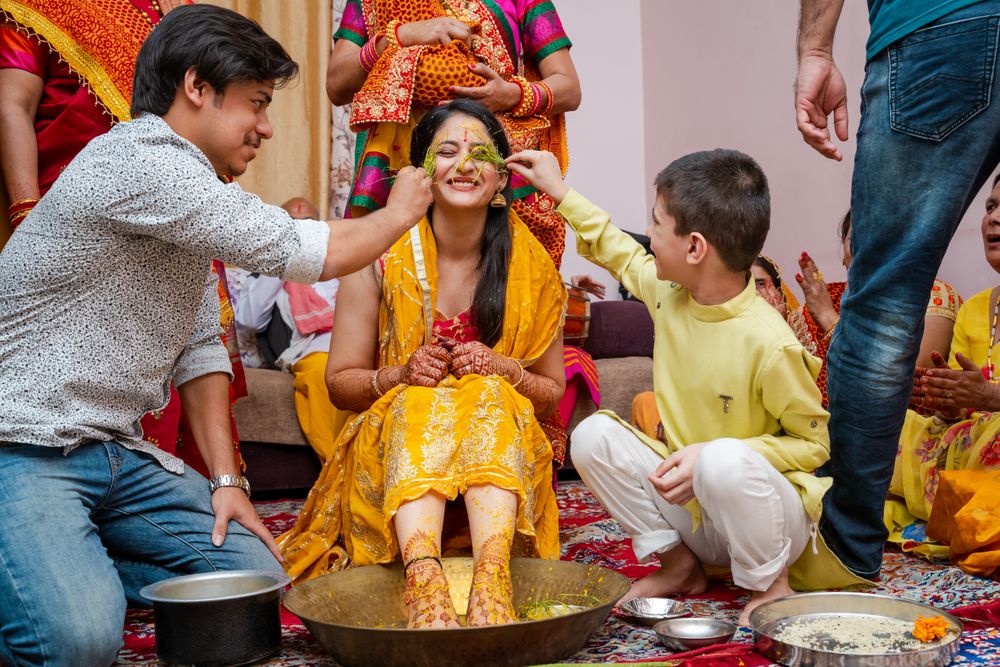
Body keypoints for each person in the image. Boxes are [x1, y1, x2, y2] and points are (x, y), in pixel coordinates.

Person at [0, 6, 431, 664]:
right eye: (255, 103)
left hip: (113, 453)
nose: (265, 128)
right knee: (77, 640)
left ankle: (61, 555)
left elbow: (200, 348)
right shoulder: (142, 162)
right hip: (23, 444)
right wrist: (399, 210)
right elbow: (296, 245)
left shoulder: (188, 196)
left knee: (254, 574)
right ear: (197, 87)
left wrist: (228, 480)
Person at [506, 147, 868, 626]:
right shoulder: (670, 293)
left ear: (695, 247)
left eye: (656, 224)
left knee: (721, 459)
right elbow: (617, 248)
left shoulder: (770, 343)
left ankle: (772, 584)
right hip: (696, 509)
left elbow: (813, 444)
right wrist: (560, 192)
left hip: (764, 520)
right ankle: (681, 567)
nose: (648, 236)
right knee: (592, 438)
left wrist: (713, 452)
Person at [278, 100, 565, 630]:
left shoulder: (532, 265)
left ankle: (492, 576)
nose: (464, 164)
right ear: (420, 174)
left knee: (490, 392)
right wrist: (401, 375)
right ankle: (425, 580)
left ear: (502, 177)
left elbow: (551, 392)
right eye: (447, 151)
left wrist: (506, 369)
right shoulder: (378, 255)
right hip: (395, 447)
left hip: (501, 452)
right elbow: (340, 382)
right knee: (420, 397)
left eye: (480, 153)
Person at [795, 0, 1000, 580]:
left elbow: (897, 350)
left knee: (883, 306)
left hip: (941, 22)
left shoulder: (945, 299)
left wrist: (815, 48)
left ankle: (845, 557)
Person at [0, 0, 246, 477]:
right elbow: (12, 103)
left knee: (188, 346)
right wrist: (27, 211)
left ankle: (203, 494)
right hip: (81, 215)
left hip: (176, 209)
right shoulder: (42, 5)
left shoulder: (183, 11)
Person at [326, 0, 581, 267]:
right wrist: (401, 36)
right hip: (400, 170)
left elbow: (568, 87)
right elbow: (337, 84)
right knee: (389, 283)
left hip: (484, 168)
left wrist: (511, 94)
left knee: (501, 280)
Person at [887, 174, 1000, 556]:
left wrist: (990, 395)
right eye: (990, 207)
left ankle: (968, 522)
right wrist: (949, 399)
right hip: (967, 446)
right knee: (883, 423)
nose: (994, 219)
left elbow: (986, 400)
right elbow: (961, 409)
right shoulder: (973, 310)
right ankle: (954, 516)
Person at [235, 196, 348, 463]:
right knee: (324, 374)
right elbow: (250, 320)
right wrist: (284, 261)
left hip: (353, 343)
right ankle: (337, 469)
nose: (299, 229)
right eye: (291, 223)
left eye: (307, 223)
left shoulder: (341, 264)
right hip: (310, 350)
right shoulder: (268, 269)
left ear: (319, 227)